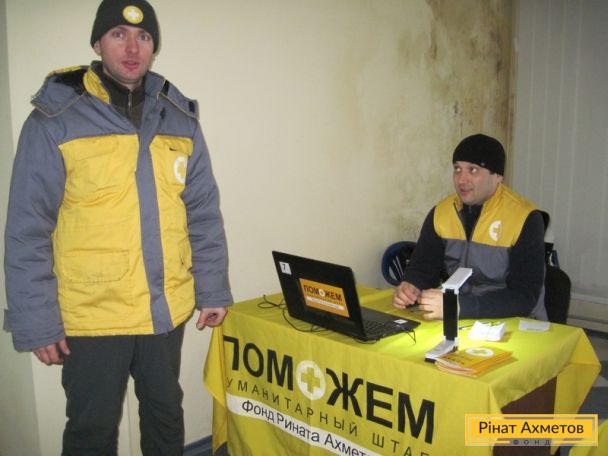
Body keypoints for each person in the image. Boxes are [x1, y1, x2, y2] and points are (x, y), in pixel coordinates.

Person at [3, 1, 232, 454]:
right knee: (92, 431)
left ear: (153, 47)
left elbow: (202, 212)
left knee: (166, 416)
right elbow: (27, 229)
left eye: (143, 37)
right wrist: (37, 322)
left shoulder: (178, 118)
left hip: (163, 310)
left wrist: (212, 289)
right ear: (97, 44)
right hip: (93, 315)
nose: (132, 48)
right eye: (118, 35)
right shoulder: (55, 119)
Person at [393, 133, 547, 321]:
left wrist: (459, 306)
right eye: (457, 169)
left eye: (473, 170)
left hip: (515, 321)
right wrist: (411, 286)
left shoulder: (525, 218)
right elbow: (423, 267)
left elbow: (523, 298)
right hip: (459, 318)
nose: (461, 180)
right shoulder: (441, 213)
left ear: (498, 176)